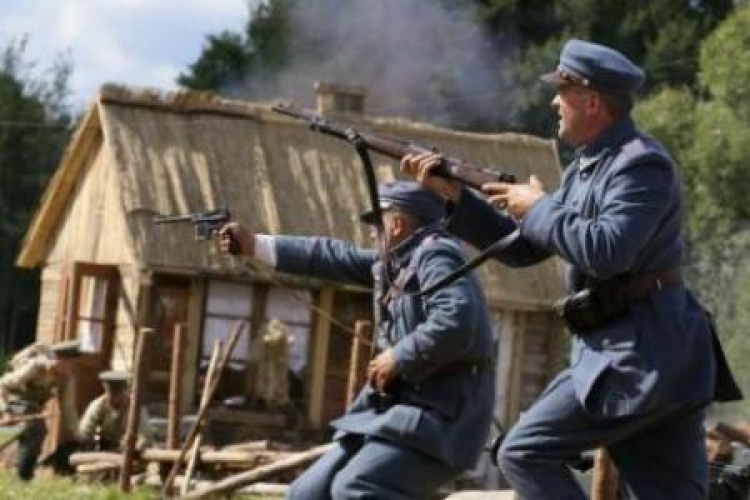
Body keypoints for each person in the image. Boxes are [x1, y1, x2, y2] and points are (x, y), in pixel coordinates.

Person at [402, 39, 726, 499]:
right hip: (643, 357)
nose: (554, 100)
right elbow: (526, 248)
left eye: (563, 91)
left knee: (522, 453)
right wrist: (455, 197)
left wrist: (538, 207)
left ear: (591, 100)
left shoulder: (642, 165)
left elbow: (606, 250)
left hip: (640, 357)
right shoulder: (586, 170)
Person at [218, 180, 496, 499]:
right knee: (305, 493)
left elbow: (458, 319)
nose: (370, 232)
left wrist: (400, 356)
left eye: (376, 223)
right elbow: (329, 256)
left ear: (397, 224)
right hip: (399, 412)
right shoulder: (398, 262)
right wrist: (255, 245)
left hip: (444, 417)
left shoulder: (438, 256)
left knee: (357, 489)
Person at [0, 340, 81, 480]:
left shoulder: (66, 379)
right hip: (12, 404)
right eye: (67, 363)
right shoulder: (34, 367)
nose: (70, 368)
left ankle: (23, 474)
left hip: (33, 411)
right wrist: (5, 411)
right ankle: (22, 472)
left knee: (37, 431)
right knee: (34, 430)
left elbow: (68, 409)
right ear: (58, 360)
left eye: (72, 364)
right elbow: (3, 385)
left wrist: (77, 434)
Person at [77, 371, 154, 452]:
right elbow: (84, 432)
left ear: (126, 390)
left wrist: (136, 443)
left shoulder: (135, 408)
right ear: (106, 390)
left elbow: (146, 436)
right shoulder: (99, 405)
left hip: (129, 451)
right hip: (105, 451)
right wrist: (88, 445)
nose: (115, 399)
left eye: (118, 394)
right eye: (112, 394)